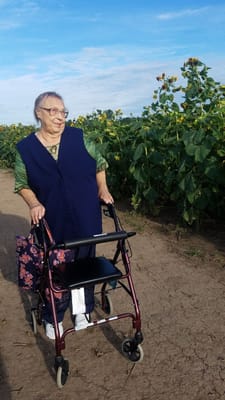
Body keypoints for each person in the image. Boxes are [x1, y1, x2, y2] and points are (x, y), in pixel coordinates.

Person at [14, 91, 113, 339]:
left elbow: (100, 163)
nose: (60, 117)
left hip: (86, 212)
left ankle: (81, 310)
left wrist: (103, 189)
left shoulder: (79, 137)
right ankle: (53, 315)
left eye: (63, 112)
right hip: (52, 217)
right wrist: (34, 202)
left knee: (85, 261)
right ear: (39, 113)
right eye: (53, 111)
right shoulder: (25, 149)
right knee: (55, 264)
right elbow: (21, 183)